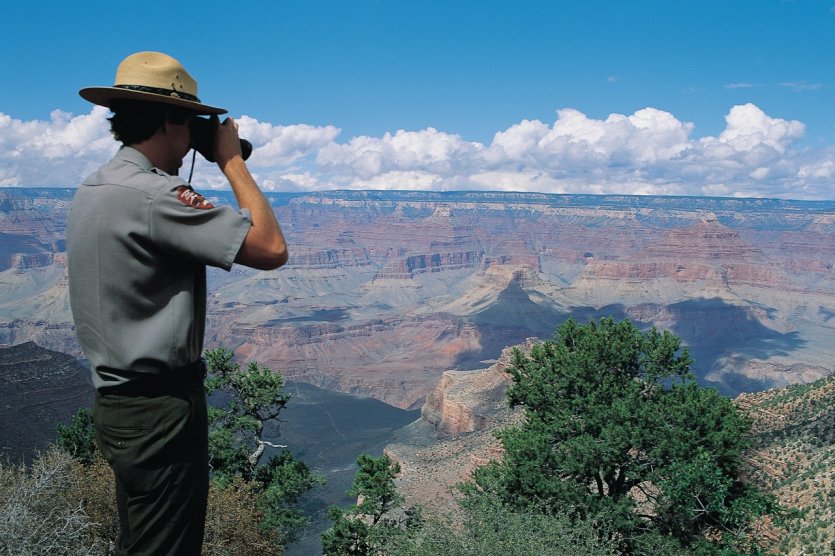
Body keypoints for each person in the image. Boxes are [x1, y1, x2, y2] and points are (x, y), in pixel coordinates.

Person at [66, 51, 288, 555]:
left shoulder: (95, 187)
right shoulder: (155, 196)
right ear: (169, 120)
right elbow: (271, 248)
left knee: (142, 541)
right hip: (160, 411)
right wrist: (231, 161)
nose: (192, 135)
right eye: (189, 121)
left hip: (118, 405)